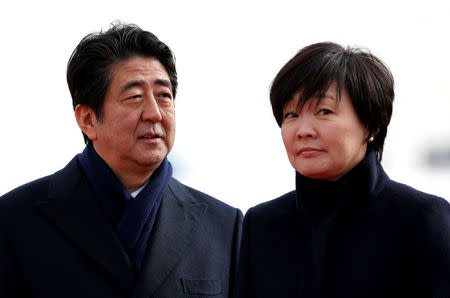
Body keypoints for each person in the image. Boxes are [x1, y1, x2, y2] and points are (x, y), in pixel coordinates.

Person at [0, 23, 242, 298]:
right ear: (88, 119)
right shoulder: (15, 220)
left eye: (164, 96)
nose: (154, 113)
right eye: (135, 97)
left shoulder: (224, 226)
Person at [235, 42, 450, 297]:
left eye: (324, 111)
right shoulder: (262, 225)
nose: (303, 130)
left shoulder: (422, 219)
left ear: (370, 125)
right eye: (291, 115)